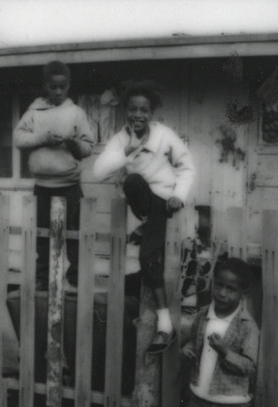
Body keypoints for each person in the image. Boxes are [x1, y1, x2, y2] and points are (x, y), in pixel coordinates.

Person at [93, 81, 195, 354]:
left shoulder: (164, 135)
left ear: (151, 113)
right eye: (133, 109)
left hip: (163, 202)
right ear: (126, 110)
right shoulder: (120, 139)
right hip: (140, 205)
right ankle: (164, 325)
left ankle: (165, 326)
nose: (138, 115)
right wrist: (126, 150)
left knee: (148, 258)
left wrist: (179, 195)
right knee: (134, 181)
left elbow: (187, 167)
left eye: (144, 110)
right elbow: (98, 172)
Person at [180, 257, 260, 407]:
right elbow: (193, 341)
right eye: (219, 286)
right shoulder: (204, 315)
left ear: (242, 293)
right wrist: (186, 349)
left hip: (232, 405)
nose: (223, 293)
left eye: (231, 289)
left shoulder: (247, 326)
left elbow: (249, 366)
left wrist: (225, 352)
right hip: (199, 399)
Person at [14, 60, 94, 289]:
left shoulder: (76, 113)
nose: (58, 91)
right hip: (42, 186)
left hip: (69, 185)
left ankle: (76, 278)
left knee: (73, 234)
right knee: (42, 235)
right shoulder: (34, 111)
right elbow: (18, 138)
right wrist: (43, 138)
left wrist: (73, 143)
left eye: (62, 86)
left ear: (69, 85)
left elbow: (88, 148)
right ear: (45, 86)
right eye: (53, 87)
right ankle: (42, 278)